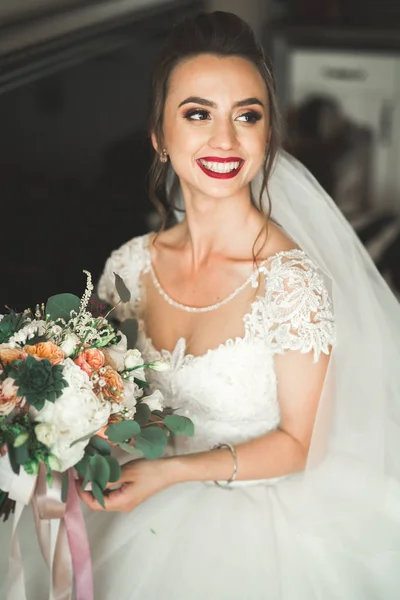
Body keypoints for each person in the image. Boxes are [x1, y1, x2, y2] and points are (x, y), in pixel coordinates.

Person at [3, 10, 398, 600]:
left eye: (247, 116)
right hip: (134, 506)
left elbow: (300, 445)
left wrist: (172, 471)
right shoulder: (129, 266)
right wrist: (62, 430)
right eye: (197, 114)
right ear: (159, 137)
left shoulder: (291, 283)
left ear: (267, 136)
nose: (225, 139)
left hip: (261, 529)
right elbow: (109, 394)